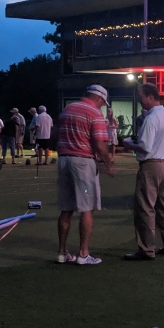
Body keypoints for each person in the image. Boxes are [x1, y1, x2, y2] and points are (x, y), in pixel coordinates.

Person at [54, 85, 115, 265]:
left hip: (64, 160)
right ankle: (83, 254)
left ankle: (62, 252)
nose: (103, 106)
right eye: (103, 103)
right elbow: (99, 142)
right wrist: (108, 163)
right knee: (87, 207)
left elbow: (56, 134)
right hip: (83, 162)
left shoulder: (67, 109)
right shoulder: (94, 113)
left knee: (66, 208)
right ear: (99, 98)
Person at [123, 83, 164, 260]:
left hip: (151, 165)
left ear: (149, 97)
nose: (140, 100)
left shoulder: (151, 118)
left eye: (141, 97)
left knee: (145, 207)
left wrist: (127, 144)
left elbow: (145, 147)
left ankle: (147, 248)